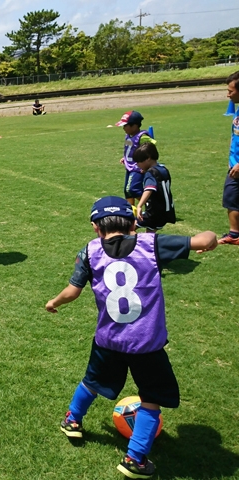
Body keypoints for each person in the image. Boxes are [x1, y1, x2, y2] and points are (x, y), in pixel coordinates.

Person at [45, 196, 217, 479]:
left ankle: (72, 420)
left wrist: (54, 302)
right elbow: (202, 241)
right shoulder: (152, 244)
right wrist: (210, 237)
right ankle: (134, 458)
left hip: (108, 340)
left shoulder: (89, 251)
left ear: (94, 227)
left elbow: (72, 291)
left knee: (92, 381)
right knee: (150, 399)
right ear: (134, 223)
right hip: (146, 343)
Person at [115, 111, 156, 206]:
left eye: (125, 125)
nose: (123, 128)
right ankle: (131, 212)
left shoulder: (142, 137)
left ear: (134, 126)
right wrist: (126, 158)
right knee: (127, 191)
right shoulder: (128, 136)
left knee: (133, 189)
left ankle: (152, 205)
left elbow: (150, 149)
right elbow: (130, 149)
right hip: (129, 167)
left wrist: (146, 166)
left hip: (138, 168)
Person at [133, 143, 176, 232]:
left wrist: (140, 205)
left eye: (139, 162)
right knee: (150, 236)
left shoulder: (150, 173)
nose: (137, 165)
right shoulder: (163, 169)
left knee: (129, 227)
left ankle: (126, 245)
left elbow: (149, 189)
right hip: (166, 212)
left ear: (148, 158)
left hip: (154, 213)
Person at [219, 71, 239, 245]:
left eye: (231, 91)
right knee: (231, 198)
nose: (228, 94)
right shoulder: (238, 110)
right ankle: (234, 234)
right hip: (234, 165)